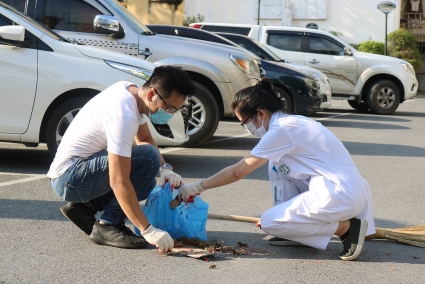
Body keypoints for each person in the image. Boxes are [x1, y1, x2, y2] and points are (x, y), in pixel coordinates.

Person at [178, 79, 375, 261]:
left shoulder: (281, 130)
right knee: (276, 165)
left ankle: (346, 228)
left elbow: (238, 171)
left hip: (340, 195)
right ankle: (294, 230)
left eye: (245, 122)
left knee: (270, 222)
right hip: (343, 191)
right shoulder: (291, 123)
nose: (247, 128)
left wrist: (198, 186)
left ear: (261, 113)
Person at [47, 65, 196, 252]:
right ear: (152, 94)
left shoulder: (130, 92)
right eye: (169, 108)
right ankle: (108, 225)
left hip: (73, 173)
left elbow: (145, 139)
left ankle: (85, 207)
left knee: (147, 177)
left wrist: (165, 168)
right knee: (148, 160)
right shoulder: (123, 115)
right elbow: (119, 181)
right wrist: (147, 230)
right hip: (69, 177)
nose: (169, 114)